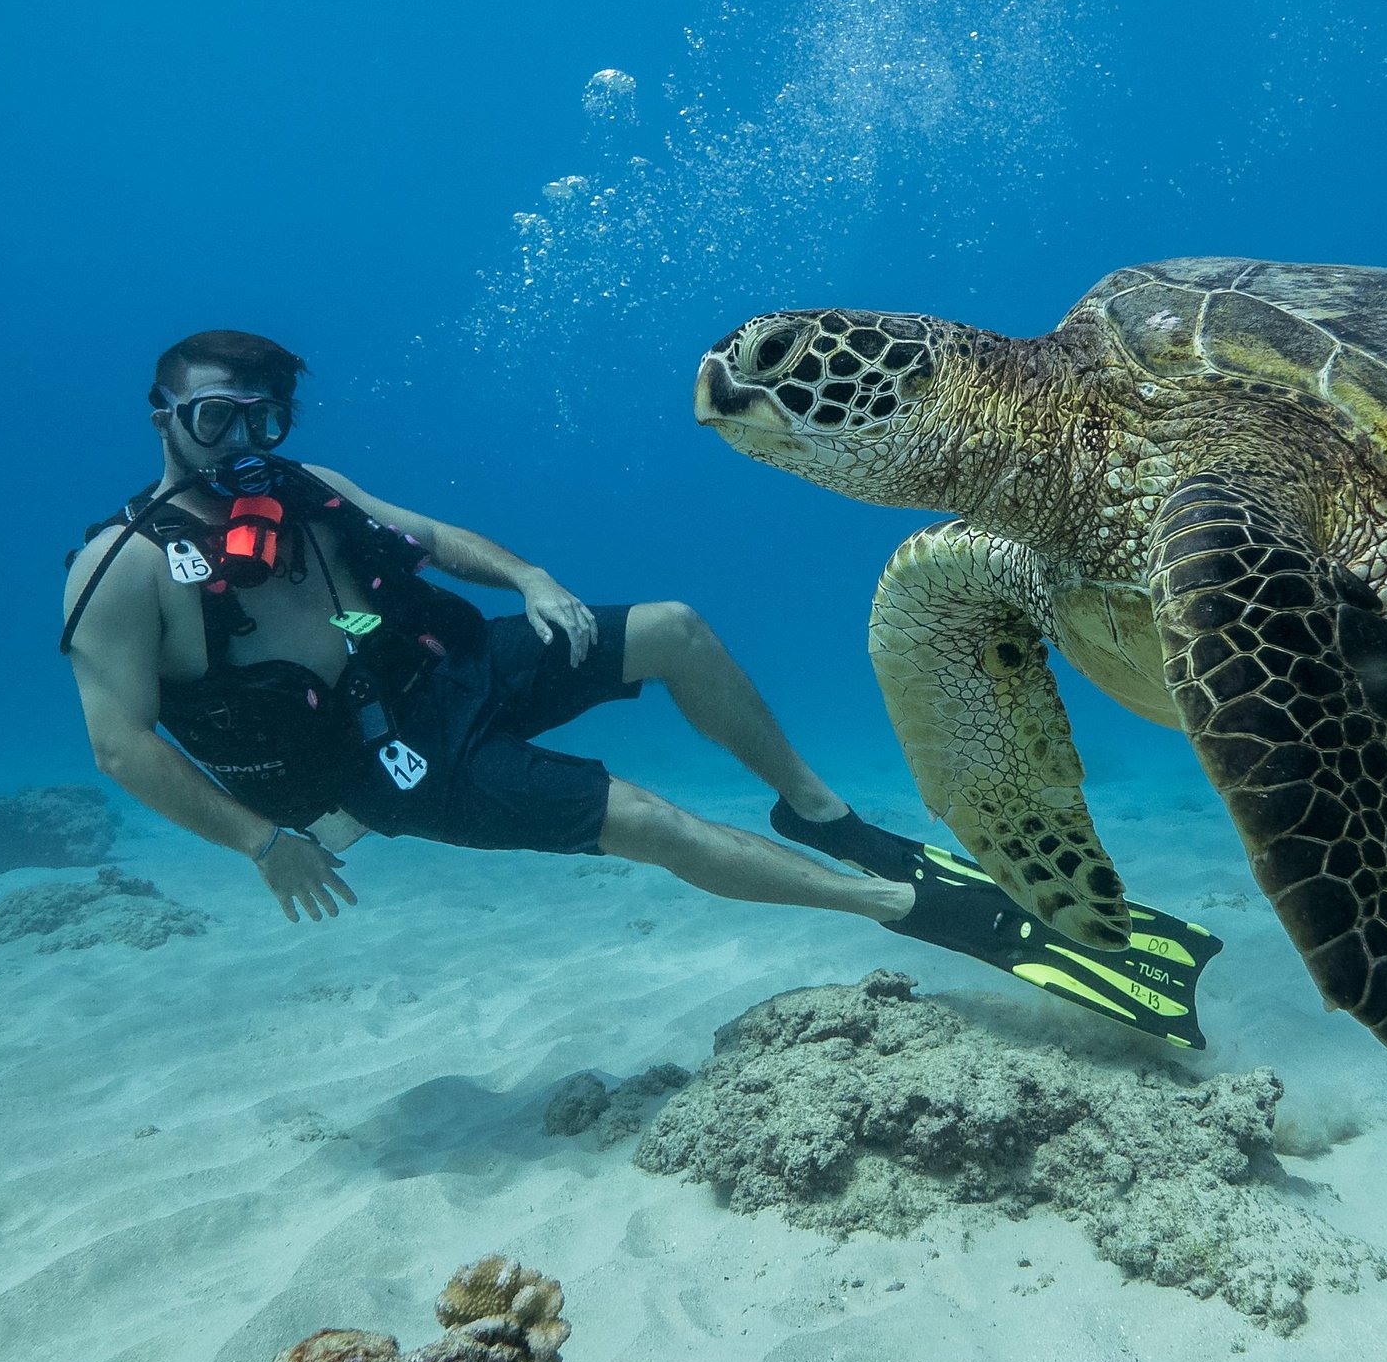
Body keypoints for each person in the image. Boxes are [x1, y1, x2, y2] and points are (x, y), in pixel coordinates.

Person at [60, 330, 1217, 1044]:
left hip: (443, 674)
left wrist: (532, 575)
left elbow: (425, 535)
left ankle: (819, 810)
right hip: (389, 765)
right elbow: (122, 746)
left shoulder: (308, 485)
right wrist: (266, 843)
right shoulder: (119, 574)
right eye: (220, 418)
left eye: (267, 418)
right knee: (652, 823)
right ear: (165, 419)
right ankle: (917, 911)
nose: (248, 443)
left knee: (672, 627)